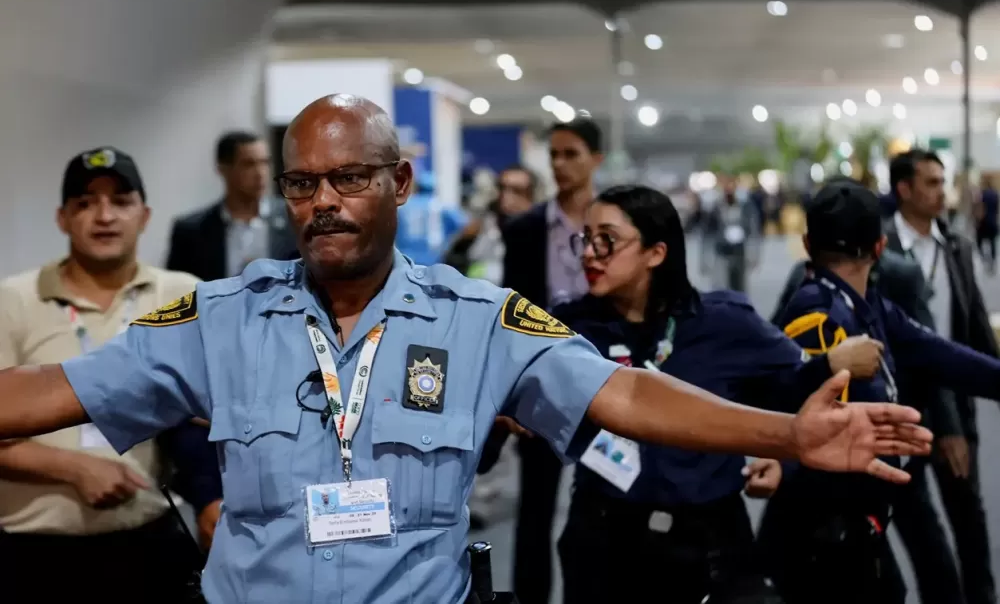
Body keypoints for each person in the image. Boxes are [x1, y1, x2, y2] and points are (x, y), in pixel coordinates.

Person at [0, 96, 932, 604]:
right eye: (302, 183)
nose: (323, 201)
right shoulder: (217, 315)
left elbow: (633, 399)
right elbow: (56, 388)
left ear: (399, 182)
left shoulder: (482, 318)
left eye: (350, 178)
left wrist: (787, 437)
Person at [553, 185, 883, 604]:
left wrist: (831, 370)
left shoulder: (724, 322)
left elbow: (798, 393)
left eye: (607, 240)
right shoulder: (564, 331)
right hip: (604, 542)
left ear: (656, 252)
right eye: (585, 238)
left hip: (711, 543)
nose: (589, 253)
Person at [761, 178, 1000, 604]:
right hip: (822, 533)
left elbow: (941, 355)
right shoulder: (818, 313)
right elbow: (784, 399)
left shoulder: (867, 304)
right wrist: (827, 367)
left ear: (807, 243)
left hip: (855, 520)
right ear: (879, 247)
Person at [0, 148, 211, 601]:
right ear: (61, 218)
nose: (104, 216)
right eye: (84, 203)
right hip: (34, 554)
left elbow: (216, 409)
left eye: (120, 200)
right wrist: (70, 466)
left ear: (145, 215)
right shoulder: (12, 300)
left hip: (150, 541)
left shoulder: (185, 294)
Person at [886, 149, 998, 604]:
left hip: (958, 402)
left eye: (942, 181)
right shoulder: (882, 253)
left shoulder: (955, 245)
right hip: (905, 409)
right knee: (921, 528)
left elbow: (970, 324)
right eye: (930, 183)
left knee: (970, 520)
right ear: (904, 190)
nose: (941, 192)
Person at [499, 119, 600, 604]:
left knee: (606, 508)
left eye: (571, 154)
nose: (560, 164)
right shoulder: (524, 230)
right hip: (540, 384)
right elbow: (510, 311)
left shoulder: (614, 226)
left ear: (595, 159)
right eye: (554, 155)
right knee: (535, 511)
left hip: (608, 380)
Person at [167, 130, 297, 282]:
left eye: (265, 163)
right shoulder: (192, 231)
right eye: (249, 164)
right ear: (223, 169)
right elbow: (177, 291)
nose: (260, 173)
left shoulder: (292, 217)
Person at [700, 173, 761, 292]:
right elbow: (706, 234)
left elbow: (753, 230)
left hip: (739, 252)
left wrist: (754, 255)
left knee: (739, 288)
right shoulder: (714, 207)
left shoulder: (745, 206)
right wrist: (705, 260)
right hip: (721, 252)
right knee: (721, 287)